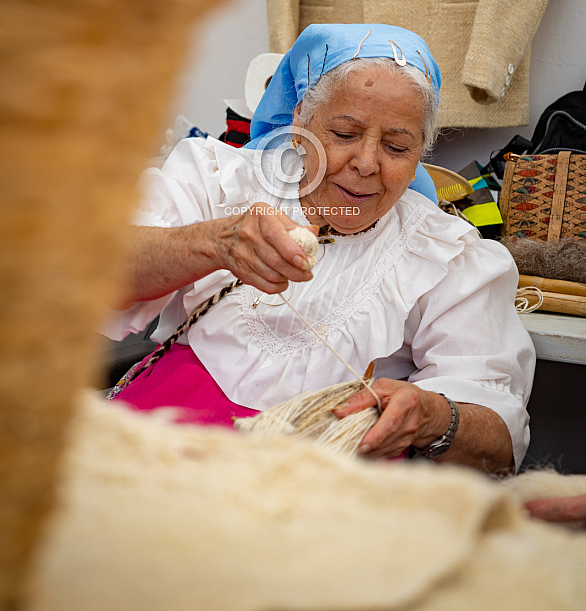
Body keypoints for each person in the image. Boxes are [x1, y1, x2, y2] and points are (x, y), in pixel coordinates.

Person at [107, 23, 535, 473]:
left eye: (396, 146)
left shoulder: (448, 254)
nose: (367, 164)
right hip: (165, 440)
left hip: (325, 481)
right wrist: (213, 243)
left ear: (419, 155)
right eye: (345, 134)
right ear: (299, 124)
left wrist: (433, 417)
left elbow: (499, 437)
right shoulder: (218, 177)